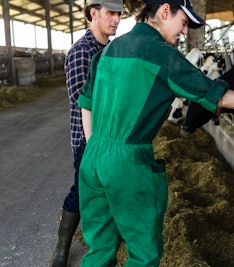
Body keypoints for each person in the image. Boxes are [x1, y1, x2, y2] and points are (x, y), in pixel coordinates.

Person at [77, 0, 234, 266]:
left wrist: (94, 146)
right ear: (165, 11)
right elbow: (217, 96)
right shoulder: (162, 54)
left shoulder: (108, 51)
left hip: (93, 156)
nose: (184, 32)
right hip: (127, 161)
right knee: (143, 252)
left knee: (100, 247)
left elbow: (86, 103)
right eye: (183, 22)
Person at [51, 1, 124, 266]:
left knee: (108, 190)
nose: (116, 19)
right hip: (88, 139)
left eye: (119, 14)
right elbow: (80, 98)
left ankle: (107, 242)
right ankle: (62, 248)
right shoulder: (83, 52)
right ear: (94, 13)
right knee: (81, 192)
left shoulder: (110, 50)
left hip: (111, 137)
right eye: (110, 13)